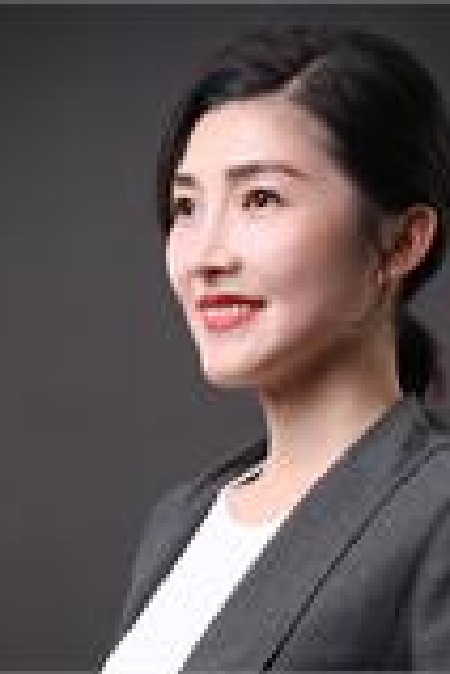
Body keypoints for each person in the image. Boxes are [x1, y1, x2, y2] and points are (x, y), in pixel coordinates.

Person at [99, 21, 450, 672]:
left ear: (402, 243)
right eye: (186, 206)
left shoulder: (434, 512)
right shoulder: (182, 518)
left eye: (260, 199)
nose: (205, 257)